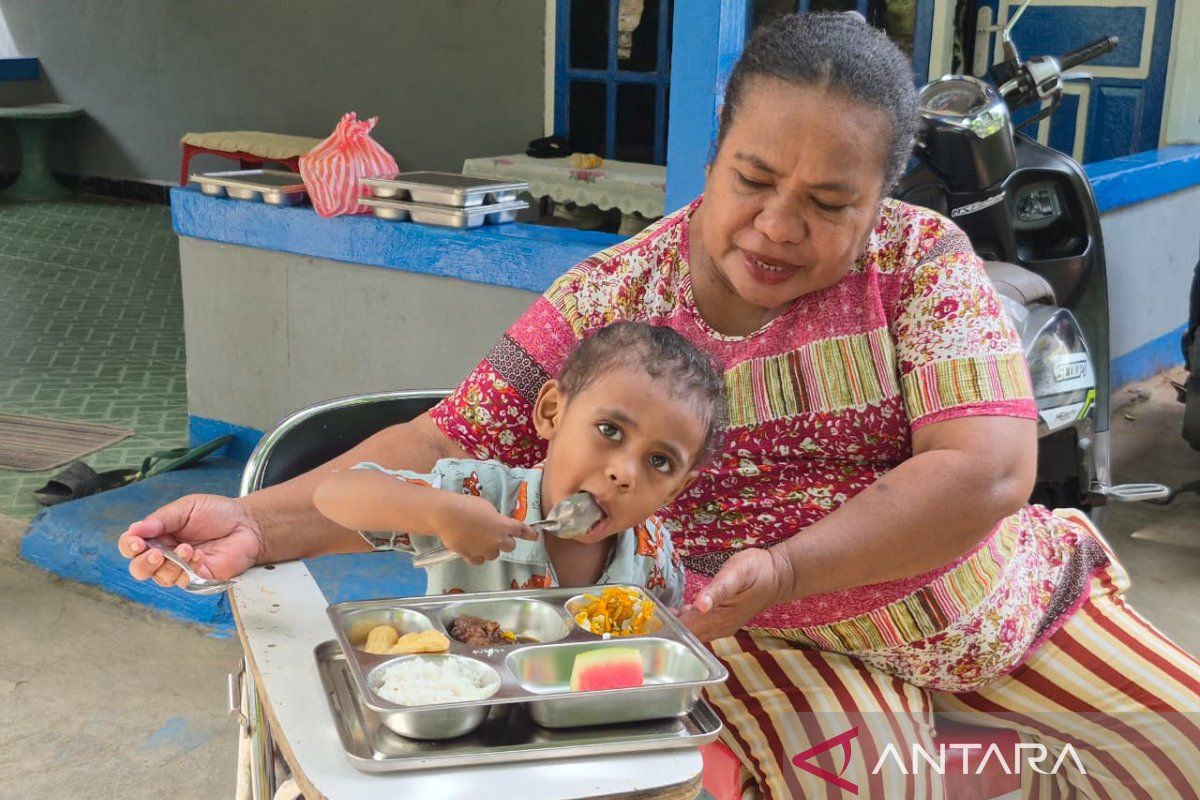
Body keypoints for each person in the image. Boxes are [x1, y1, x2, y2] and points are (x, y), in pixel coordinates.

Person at [119, 14, 1200, 798]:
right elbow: (441, 441)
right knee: (870, 778)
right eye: (753, 177)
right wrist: (256, 523)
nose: (778, 225)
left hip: (1012, 611)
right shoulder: (610, 301)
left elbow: (989, 471)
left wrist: (790, 557)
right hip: (776, 637)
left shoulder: (924, 263)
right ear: (714, 152)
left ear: (884, 197)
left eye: (829, 203)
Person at [309, 321, 725, 603]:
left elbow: (659, 647)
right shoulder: (479, 496)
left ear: (676, 489)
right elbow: (334, 494)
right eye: (610, 431)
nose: (625, 473)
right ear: (551, 414)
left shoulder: (653, 559)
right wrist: (437, 513)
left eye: (659, 461)